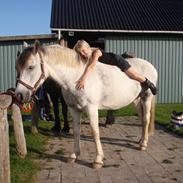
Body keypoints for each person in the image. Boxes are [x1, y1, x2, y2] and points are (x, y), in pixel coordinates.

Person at [73, 40, 157, 95]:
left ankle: (149, 83)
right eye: (81, 53)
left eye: (83, 51)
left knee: (133, 75)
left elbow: (91, 66)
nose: (83, 54)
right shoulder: (88, 52)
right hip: (108, 61)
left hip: (116, 60)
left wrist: (83, 79)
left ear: (88, 47)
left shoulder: (96, 52)